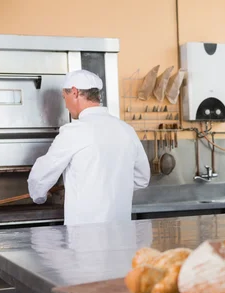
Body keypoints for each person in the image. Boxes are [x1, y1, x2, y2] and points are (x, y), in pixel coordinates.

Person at [28, 70, 150, 226]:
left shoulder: (74, 131)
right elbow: (142, 179)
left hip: (85, 234)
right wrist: (113, 186)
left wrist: (39, 197)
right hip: (121, 231)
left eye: (65, 98)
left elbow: (41, 177)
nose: (65, 106)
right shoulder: (126, 130)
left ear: (75, 92)